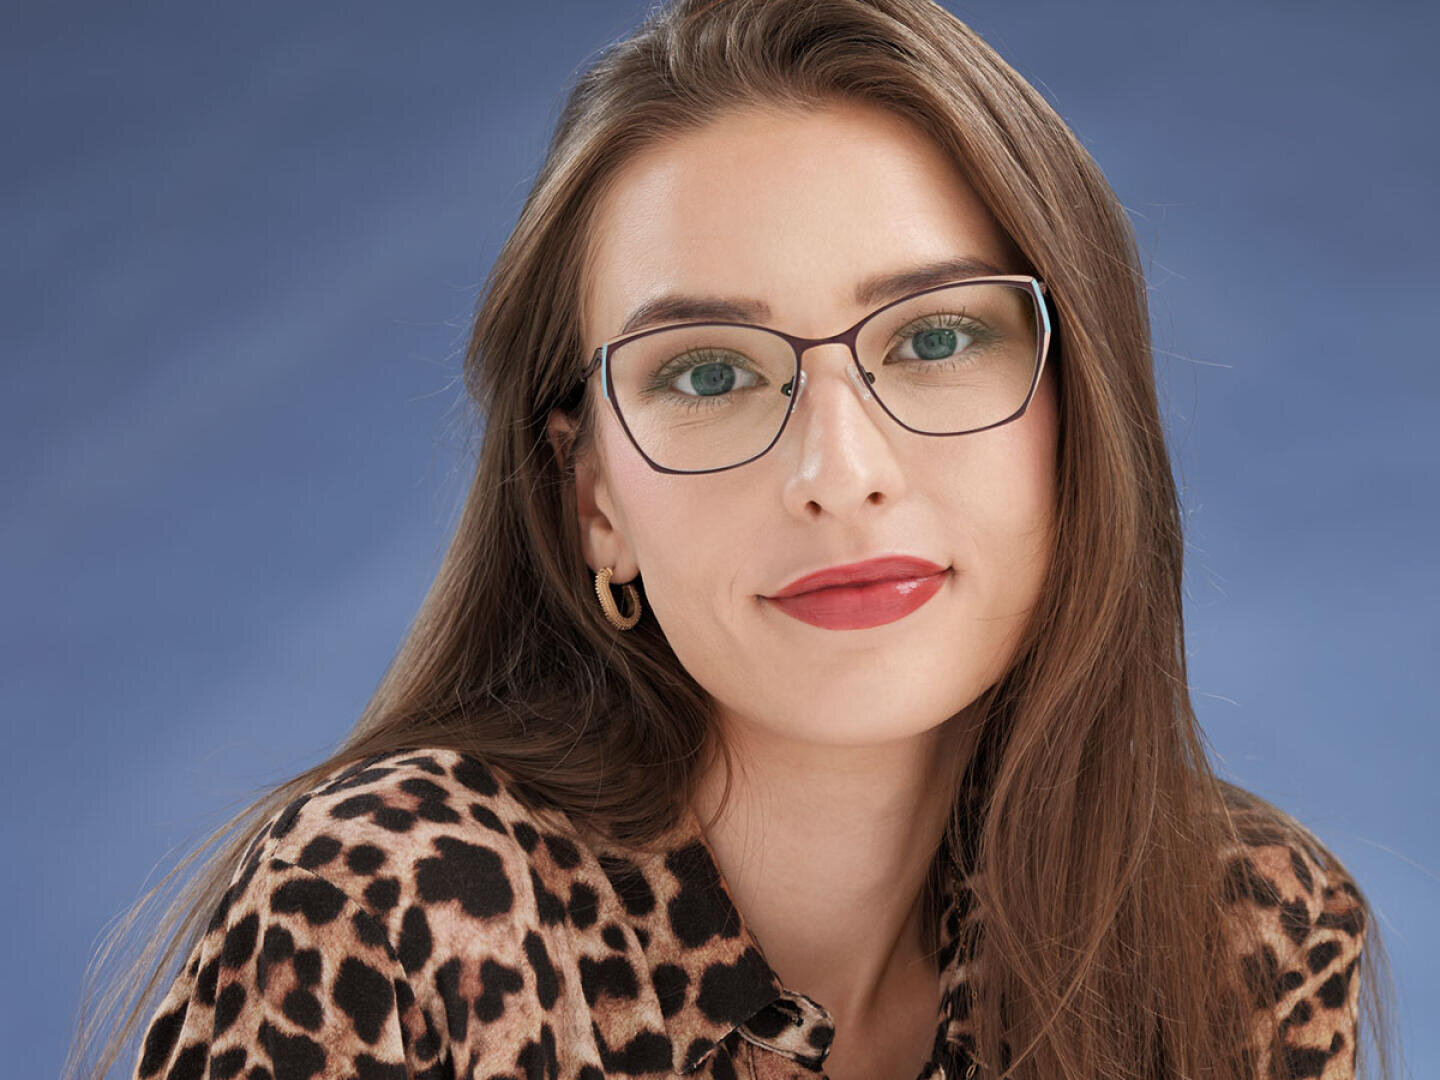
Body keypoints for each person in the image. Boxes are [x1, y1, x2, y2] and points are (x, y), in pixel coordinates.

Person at [67, 1, 1396, 1078]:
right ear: (594, 500)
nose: (841, 476)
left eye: (936, 339)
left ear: (1080, 414)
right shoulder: (399, 913)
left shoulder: (1245, 940)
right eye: (709, 373)